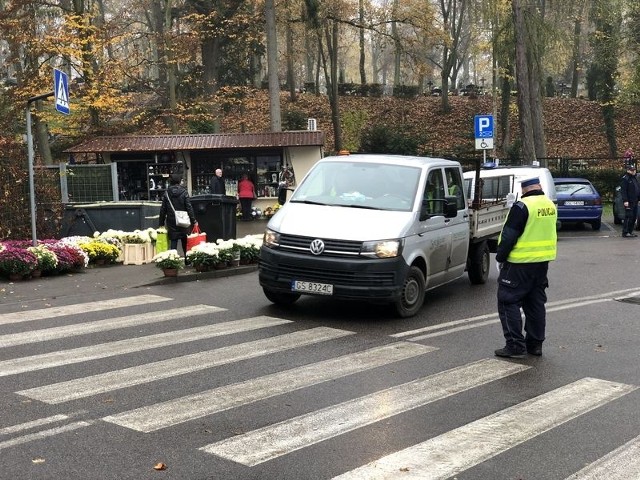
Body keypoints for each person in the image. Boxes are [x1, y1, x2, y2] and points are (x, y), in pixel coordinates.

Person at [494, 177, 557, 359]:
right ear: (539, 187)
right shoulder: (549, 205)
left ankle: (515, 345)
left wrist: (500, 257)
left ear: (524, 190)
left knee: (507, 301)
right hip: (541, 264)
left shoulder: (522, 207)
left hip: (519, 264)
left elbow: (508, 236)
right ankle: (535, 345)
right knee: (535, 304)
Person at [159, 174, 196, 260]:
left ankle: (173, 260)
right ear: (179, 181)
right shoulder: (184, 192)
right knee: (184, 239)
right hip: (183, 219)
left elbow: (163, 209)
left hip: (171, 220)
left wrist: (161, 222)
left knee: (174, 240)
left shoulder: (167, 193)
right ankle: (187, 259)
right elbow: (189, 207)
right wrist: (193, 220)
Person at [620, 163, 640, 238]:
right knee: (629, 216)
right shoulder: (625, 179)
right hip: (629, 201)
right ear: (628, 170)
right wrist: (625, 201)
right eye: (632, 170)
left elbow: (637, 188)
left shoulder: (634, 178)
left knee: (634, 217)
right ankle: (625, 232)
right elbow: (623, 191)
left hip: (635, 200)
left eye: (634, 170)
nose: (633, 171)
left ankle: (630, 231)